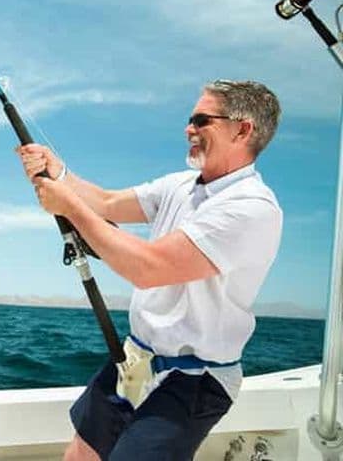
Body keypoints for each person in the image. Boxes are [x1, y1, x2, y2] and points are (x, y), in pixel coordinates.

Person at [17, 80, 283, 461]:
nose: (188, 129)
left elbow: (149, 267)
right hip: (135, 359)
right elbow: (106, 202)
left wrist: (70, 207)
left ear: (243, 129)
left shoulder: (251, 208)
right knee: (79, 455)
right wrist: (58, 173)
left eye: (201, 120)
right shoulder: (180, 185)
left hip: (194, 378)